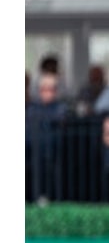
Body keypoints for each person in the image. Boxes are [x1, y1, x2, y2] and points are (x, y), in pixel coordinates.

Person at [26, 74, 68, 202]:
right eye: (44, 89)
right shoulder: (32, 107)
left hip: (54, 151)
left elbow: (61, 118)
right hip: (32, 151)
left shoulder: (61, 107)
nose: (48, 92)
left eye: (51, 89)